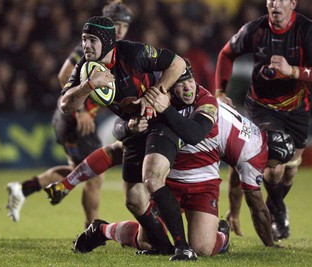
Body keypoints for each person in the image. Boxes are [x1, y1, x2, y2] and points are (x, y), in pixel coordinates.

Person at [51, 60, 295, 251]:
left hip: (202, 177)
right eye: (180, 83)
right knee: (147, 237)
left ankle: (220, 235)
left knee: (202, 247)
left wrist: (162, 112)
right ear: (169, 86)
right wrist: (131, 126)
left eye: (189, 82)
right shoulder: (157, 98)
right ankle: (102, 229)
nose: (186, 87)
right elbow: (120, 129)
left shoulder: (204, 101)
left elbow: (194, 133)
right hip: (173, 177)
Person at [54, 16, 196, 261]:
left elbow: (178, 63)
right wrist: (88, 86)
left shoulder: (133, 53)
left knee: (152, 178)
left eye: (92, 40)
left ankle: (184, 247)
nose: (86, 45)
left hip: (162, 120)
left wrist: (156, 93)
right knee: (133, 198)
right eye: (84, 39)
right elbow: (65, 104)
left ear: (108, 42)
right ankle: (162, 247)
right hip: (133, 126)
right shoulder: (85, 69)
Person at [6, 1, 132, 225]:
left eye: (124, 25)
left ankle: (22, 189)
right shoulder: (90, 47)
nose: (120, 30)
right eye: (115, 24)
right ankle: (90, 229)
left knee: (80, 171)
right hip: (74, 117)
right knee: (94, 177)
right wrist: (82, 110)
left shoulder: (120, 50)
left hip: (81, 117)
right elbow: (64, 75)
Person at [215, 0, 312, 241]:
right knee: (274, 169)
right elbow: (226, 54)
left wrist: (293, 71)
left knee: (289, 171)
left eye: (281, 0)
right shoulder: (255, 30)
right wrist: (220, 91)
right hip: (262, 108)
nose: (275, 5)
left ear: (292, 3)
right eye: (271, 0)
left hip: (297, 108)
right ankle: (277, 212)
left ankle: (275, 204)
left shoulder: (306, 30)